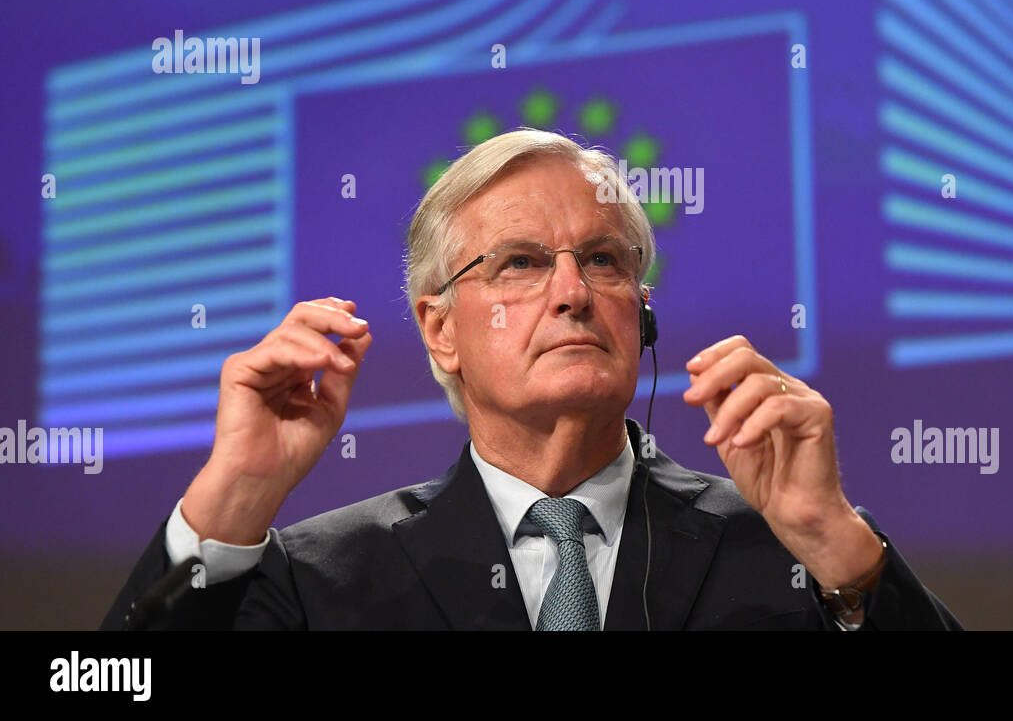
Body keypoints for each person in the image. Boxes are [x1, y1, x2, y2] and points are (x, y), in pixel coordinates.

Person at [102, 128, 961, 630]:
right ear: (441, 330)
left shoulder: (792, 554)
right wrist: (233, 496)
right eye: (519, 263)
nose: (573, 292)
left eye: (603, 261)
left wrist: (842, 553)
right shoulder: (324, 580)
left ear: (642, 312)